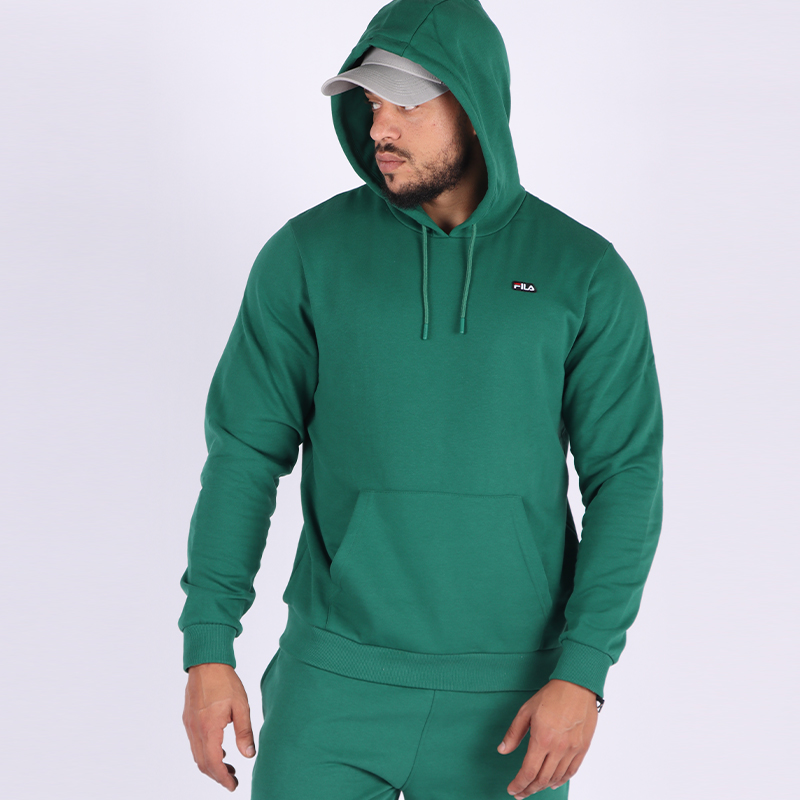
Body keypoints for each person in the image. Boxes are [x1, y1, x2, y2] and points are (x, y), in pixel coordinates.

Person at [178, 1, 664, 798]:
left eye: (406, 104)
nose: (380, 128)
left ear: (473, 107)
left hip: (516, 701)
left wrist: (584, 672)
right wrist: (208, 647)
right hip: (331, 686)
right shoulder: (306, 257)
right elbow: (244, 455)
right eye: (371, 104)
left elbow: (627, 479)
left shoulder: (583, 273)